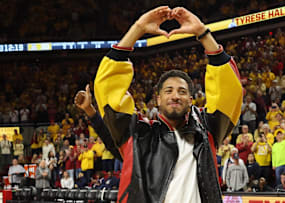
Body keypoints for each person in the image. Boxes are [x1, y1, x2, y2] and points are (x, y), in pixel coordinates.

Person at [74, 6, 243, 203]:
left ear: (191, 100)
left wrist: (202, 33)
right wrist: (137, 28)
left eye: (182, 91)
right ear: (158, 100)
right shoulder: (138, 134)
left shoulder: (207, 130)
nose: (175, 96)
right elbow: (107, 89)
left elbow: (229, 91)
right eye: (168, 91)